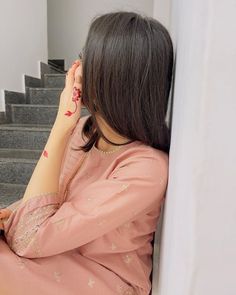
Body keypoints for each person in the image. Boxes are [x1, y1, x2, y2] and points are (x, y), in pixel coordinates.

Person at [0, 11, 173, 295]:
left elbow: (29, 237)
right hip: (53, 249)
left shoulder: (146, 170)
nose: (76, 69)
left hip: (105, 279)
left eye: (85, 58)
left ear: (111, 78)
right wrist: (12, 214)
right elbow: (43, 206)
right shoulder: (85, 130)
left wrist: (59, 127)